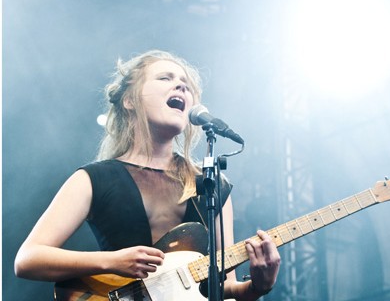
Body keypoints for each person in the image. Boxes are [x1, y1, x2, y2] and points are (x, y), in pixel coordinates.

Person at [14, 49, 281, 300]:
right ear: (130, 100)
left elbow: (224, 286)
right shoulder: (93, 178)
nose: (181, 85)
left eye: (186, 83)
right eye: (166, 78)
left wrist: (258, 286)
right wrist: (112, 262)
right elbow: (28, 259)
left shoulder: (212, 184)